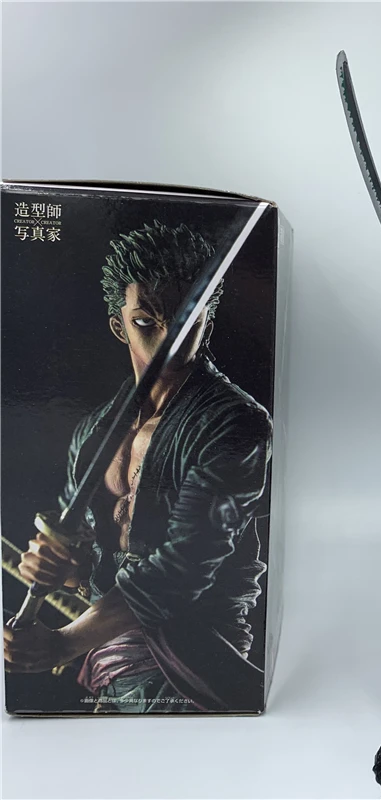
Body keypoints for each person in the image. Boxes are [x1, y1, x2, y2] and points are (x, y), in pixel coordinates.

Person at [3, 220, 272, 713]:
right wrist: (60, 566)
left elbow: (182, 569)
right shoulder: (93, 433)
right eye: (147, 322)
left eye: (186, 320)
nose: (169, 338)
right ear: (119, 326)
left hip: (197, 663)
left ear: (208, 319)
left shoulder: (236, 423)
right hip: (108, 662)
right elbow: (91, 560)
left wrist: (62, 643)